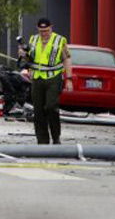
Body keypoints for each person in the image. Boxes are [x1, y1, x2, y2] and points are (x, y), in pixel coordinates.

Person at [18, 17, 73, 145]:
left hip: (53, 77)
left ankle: (56, 136)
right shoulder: (33, 39)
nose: (44, 33)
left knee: (51, 106)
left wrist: (69, 79)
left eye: (46, 30)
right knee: (38, 110)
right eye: (41, 31)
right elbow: (30, 58)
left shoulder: (60, 40)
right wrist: (23, 54)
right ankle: (42, 141)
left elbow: (67, 59)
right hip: (37, 78)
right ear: (38, 29)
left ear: (51, 28)